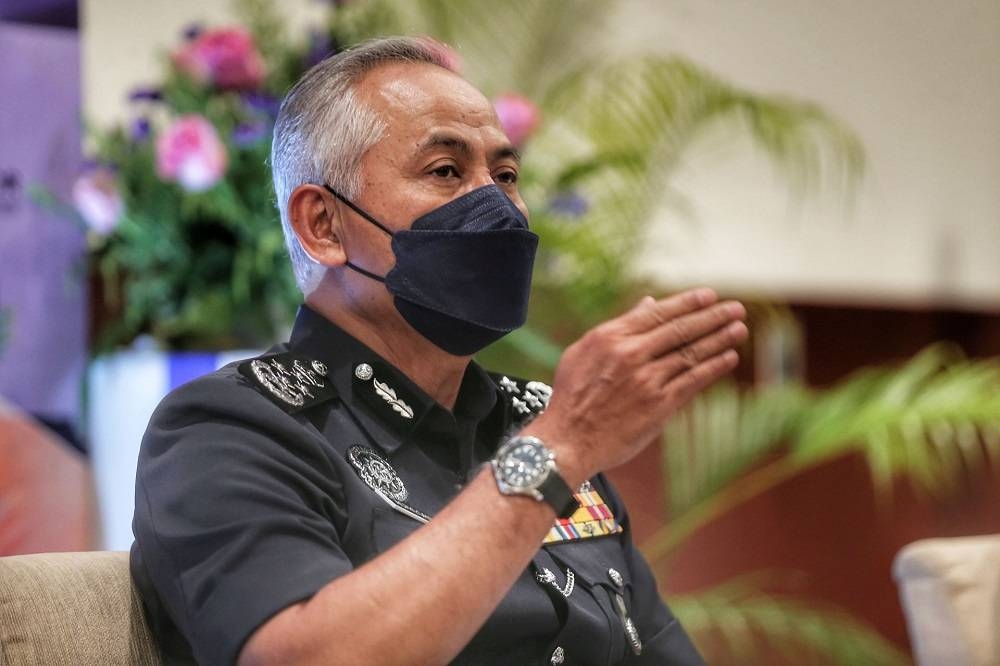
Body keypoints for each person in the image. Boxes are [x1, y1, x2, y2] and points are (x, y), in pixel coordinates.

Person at [130, 36, 748, 666]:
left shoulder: (531, 419)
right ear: (324, 225)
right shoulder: (230, 429)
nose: (498, 207)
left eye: (506, 176)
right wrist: (557, 450)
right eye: (446, 171)